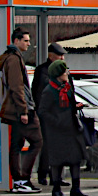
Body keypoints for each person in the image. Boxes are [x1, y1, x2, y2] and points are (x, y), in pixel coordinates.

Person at [0, 28, 42, 193]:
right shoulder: (14, 59)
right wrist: (24, 111)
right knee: (37, 141)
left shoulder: (10, 58)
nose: (29, 44)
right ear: (16, 41)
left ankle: (18, 181)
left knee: (16, 144)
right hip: (22, 110)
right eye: (26, 40)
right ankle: (23, 179)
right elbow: (17, 87)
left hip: (16, 109)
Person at [36, 61, 88, 196]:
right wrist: (56, 120)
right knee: (57, 160)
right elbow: (42, 111)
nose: (67, 74)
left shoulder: (67, 87)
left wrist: (76, 106)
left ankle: (76, 188)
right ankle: (56, 189)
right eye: (65, 72)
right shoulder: (49, 90)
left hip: (71, 127)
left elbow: (70, 104)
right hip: (56, 131)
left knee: (75, 158)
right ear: (58, 74)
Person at [30, 42, 67, 187]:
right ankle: (43, 173)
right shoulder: (42, 71)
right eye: (59, 55)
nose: (62, 58)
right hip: (48, 115)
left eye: (63, 55)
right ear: (51, 56)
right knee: (47, 145)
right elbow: (39, 93)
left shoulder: (64, 70)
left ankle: (56, 176)